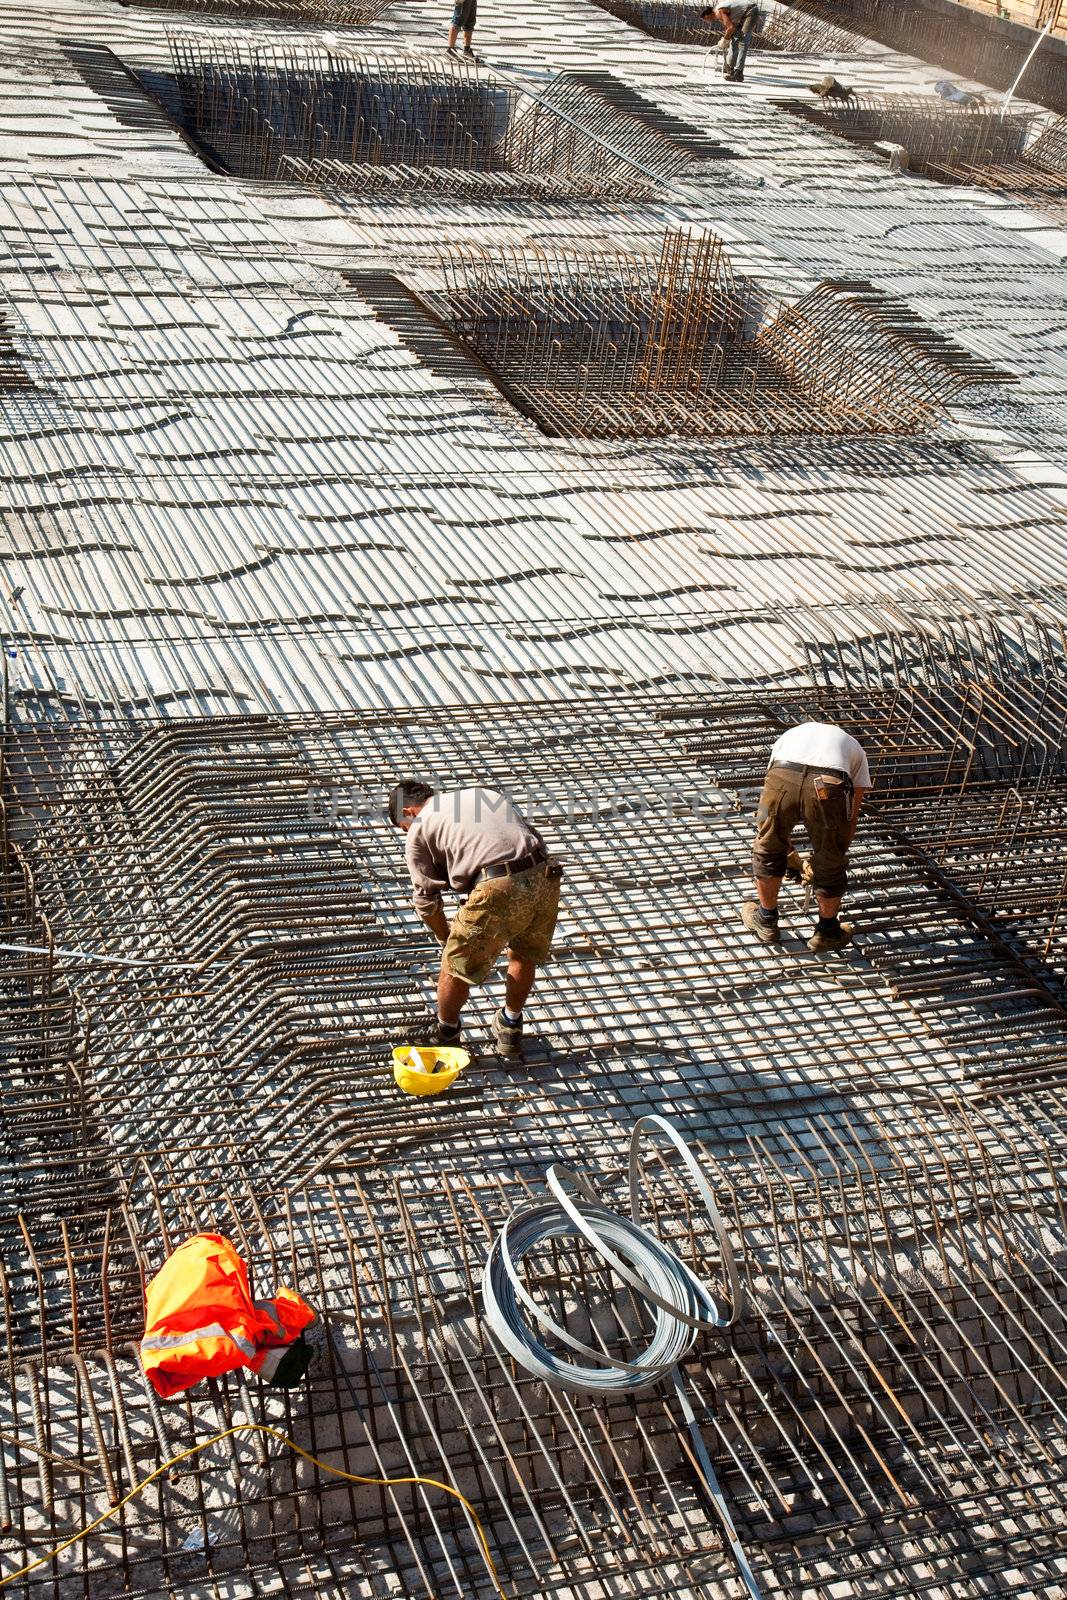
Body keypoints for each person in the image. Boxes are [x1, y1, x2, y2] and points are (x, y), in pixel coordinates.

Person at [390, 781, 562, 1055]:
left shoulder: (419, 826)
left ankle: (445, 1033)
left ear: (409, 812)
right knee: (522, 954)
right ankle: (510, 1025)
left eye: (403, 829)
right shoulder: (483, 794)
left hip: (498, 886)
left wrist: (445, 937)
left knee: (454, 963)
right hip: (545, 875)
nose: (407, 834)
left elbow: (426, 901)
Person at [741, 721, 871, 951]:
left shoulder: (790, 735)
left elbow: (773, 811)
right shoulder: (856, 750)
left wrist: (788, 852)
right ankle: (827, 931)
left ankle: (766, 920)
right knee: (831, 858)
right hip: (828, 783)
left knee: (768, 845)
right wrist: (828, 856)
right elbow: (851, 817)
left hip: (783, 771)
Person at [702, 0, 760, 83]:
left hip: (751, 12)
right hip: (743, 15)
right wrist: (727, 38)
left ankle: (739, 73)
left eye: (706, 19)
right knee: (734, 39)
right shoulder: (718, 14)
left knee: (742, 42)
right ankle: (730, 67)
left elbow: (731, 28)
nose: (708, 21)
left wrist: (724, 40)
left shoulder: (719, 12)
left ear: (710, 14)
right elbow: (728, 29)